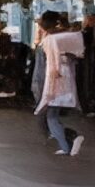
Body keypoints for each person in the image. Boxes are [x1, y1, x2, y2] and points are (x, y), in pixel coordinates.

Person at [36, 11, 87, 156]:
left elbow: (50, 64)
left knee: (49, 115)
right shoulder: (69, 37)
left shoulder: (50, 39)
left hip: (53, 80)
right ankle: (66, 143)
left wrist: (48, 85)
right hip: (66, 78)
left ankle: (69, 142)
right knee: (51, 114)